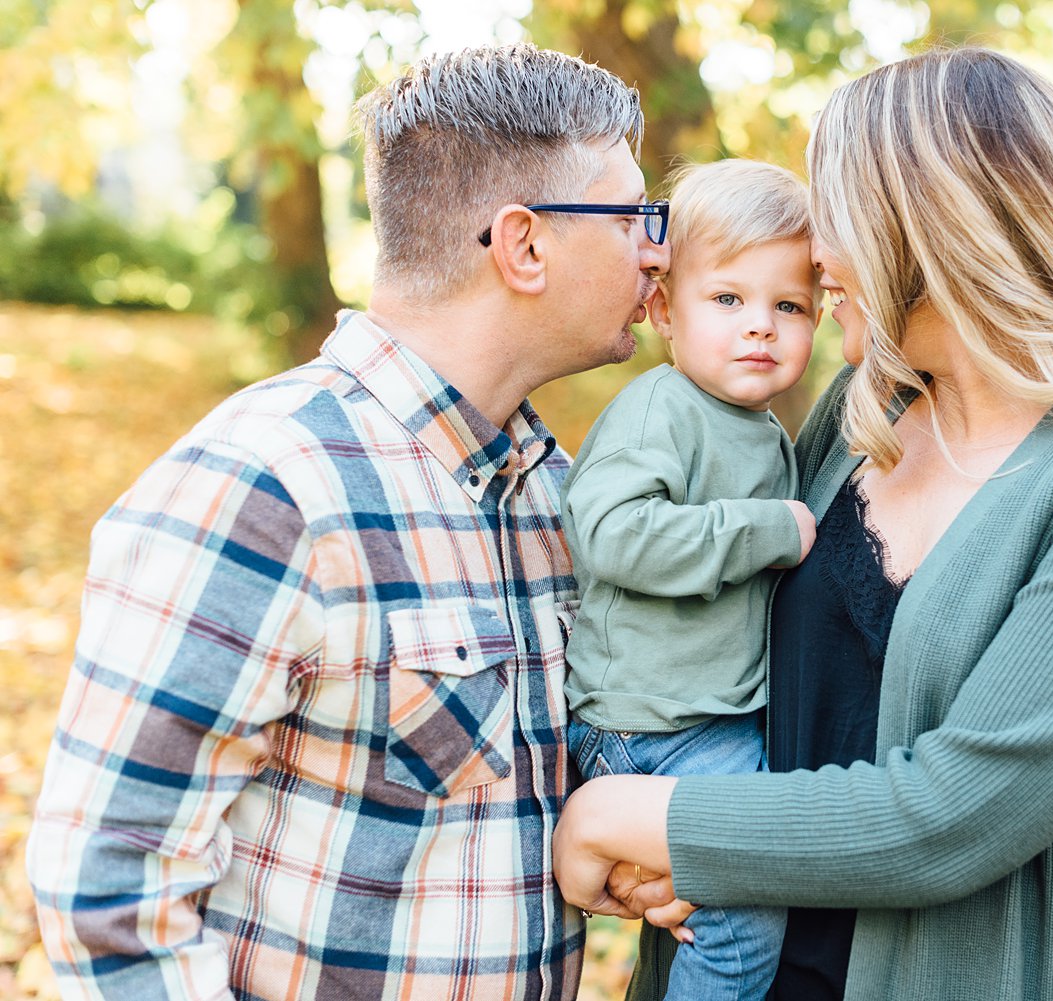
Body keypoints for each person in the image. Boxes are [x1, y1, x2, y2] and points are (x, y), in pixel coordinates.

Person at [551, 47, 1053, 1001]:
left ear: (923, 226)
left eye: (833, 208)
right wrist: (653, 817)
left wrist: (622, 817)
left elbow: (950, 816)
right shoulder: (863, 410)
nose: (816, 251)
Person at [26, 44, 668, 1000]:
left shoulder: (556, 497)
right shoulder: (267, 486)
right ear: (525, 244)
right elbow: (110, 890)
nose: (659, 250)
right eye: (633, 219)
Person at [561, 158, 821, 1001]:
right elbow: (610, 532)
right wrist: (765, 531)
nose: (761, 327)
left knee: (722, 904)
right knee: (742, 929)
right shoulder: (660, 409)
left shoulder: (764, 430)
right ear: (664, 308)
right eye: (728, 299)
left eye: (789, 306)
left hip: (705, 723)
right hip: (649, 725)